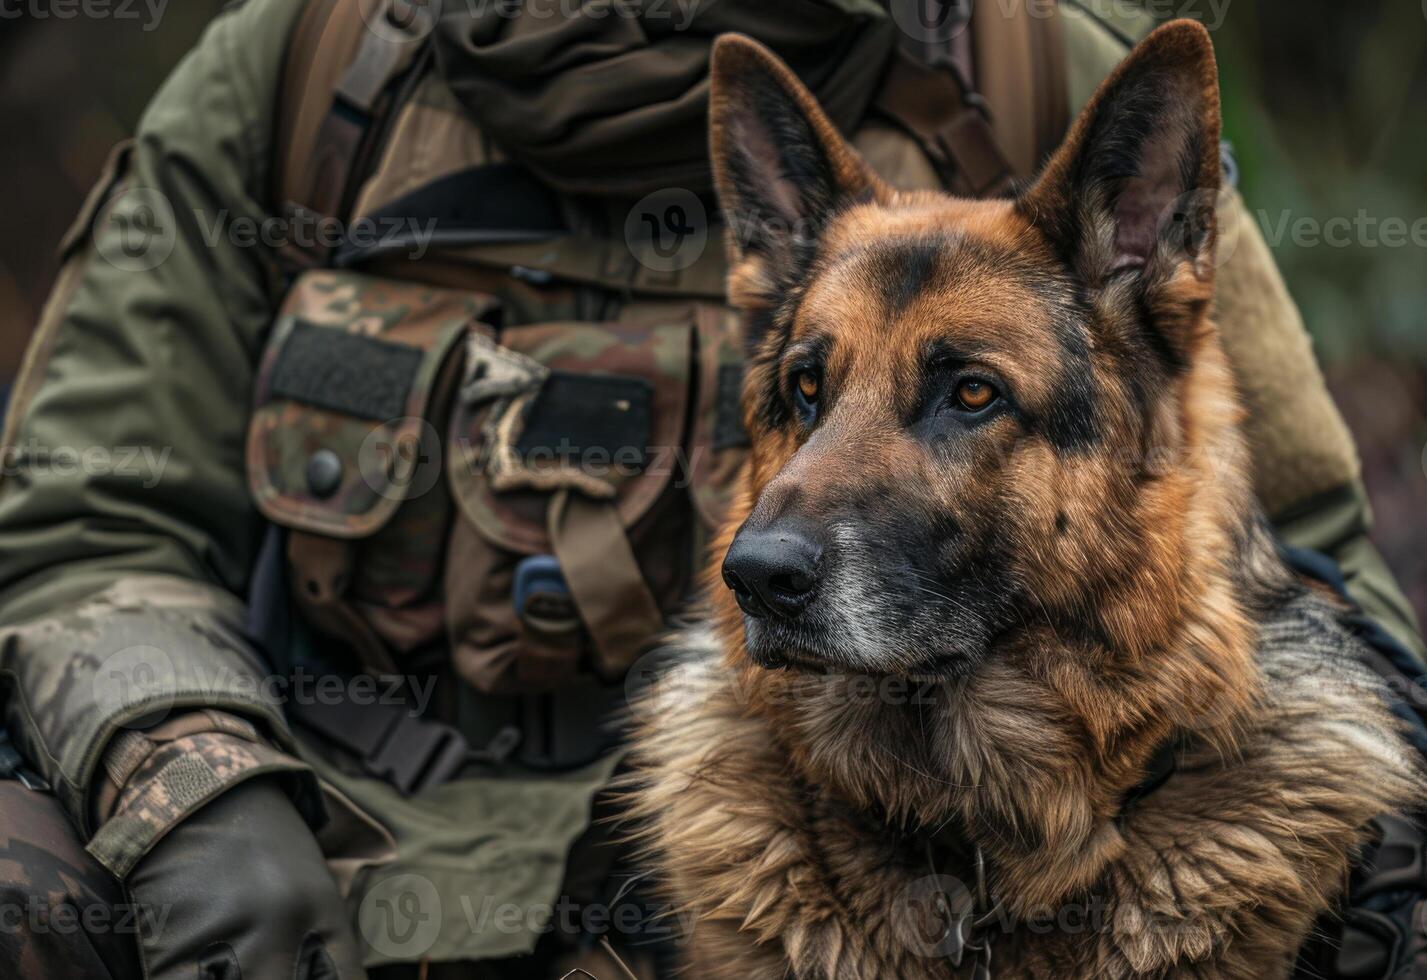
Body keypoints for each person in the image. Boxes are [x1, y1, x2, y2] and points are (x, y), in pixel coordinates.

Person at [0, 1, 1420, 977]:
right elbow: (84, 517)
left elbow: (1294, 540)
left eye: (962, 393)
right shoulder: (303, 64)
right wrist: (194, 790)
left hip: (891, 833)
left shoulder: (1036, 52)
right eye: (811, 394)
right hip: (346, 829)